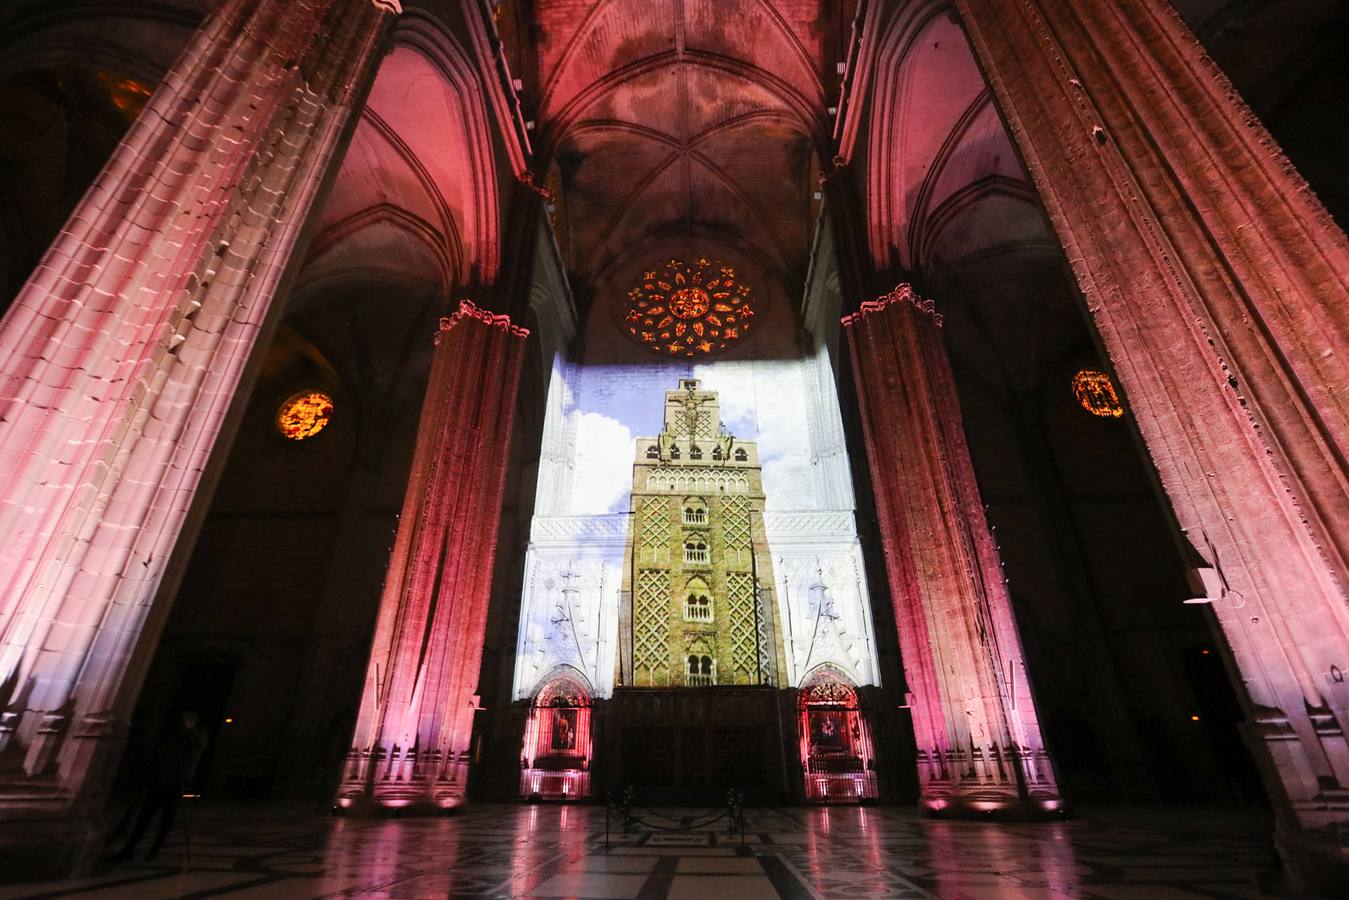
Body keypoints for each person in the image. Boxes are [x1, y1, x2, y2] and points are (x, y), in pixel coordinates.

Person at [107, 710, 208, 862]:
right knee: (144, 815)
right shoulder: (176, 734)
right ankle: (130, 848)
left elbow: (195, 746)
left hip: (175, 782)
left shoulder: (196, 735)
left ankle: (154, 850)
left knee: (166, 818)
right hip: (161, 778)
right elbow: (163, 750)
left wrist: (188, 730)